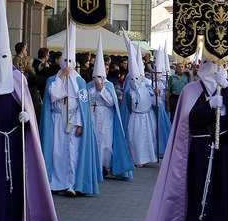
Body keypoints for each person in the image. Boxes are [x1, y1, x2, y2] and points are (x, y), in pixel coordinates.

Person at [142, 55, 228, 221]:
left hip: (222, 149)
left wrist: (225, 90)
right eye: (209, 66)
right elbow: (188, 119)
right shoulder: (190, 91)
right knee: (197, 190)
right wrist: (209, 106)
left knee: (220, 193)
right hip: (199, 149)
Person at [0, 0, 57, 221]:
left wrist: (27, 117)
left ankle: (11, 220)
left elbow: (27, 105)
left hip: (12, 137)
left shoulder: (17, 78)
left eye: (3, 55)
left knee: (13, 181)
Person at [39, 21, 101, 196]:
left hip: (73, 120)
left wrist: (81, 123)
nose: (67, 64)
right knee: (58, 152)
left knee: (73, 152)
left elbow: (83, 104)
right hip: (58, 119)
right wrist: (62, 78)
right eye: (65, 60)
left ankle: (73, 184)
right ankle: (57, 183)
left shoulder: (80, 82)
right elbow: (53, 96)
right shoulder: (53, 80)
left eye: (70, 61)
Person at [87, 33, 133, 180]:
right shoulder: (88, 86)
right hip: (92, 115)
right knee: (93, 141)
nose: (98, 79)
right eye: (96, 76)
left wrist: (101, 91)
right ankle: (94, 166)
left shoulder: (109, 87)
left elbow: (111, 102)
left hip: (106, 117)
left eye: (101, 76)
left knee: (105, 143)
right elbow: (85, 100)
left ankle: (105, 166)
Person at [124, 34, 157, 167]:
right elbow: (128, 105)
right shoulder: (129, 91)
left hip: (146, 117)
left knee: (147, 138)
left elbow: (153, 99)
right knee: (135, 138)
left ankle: (147, 158)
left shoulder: (146, 86)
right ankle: (136, 159)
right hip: (136, 117)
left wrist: (156, 93)